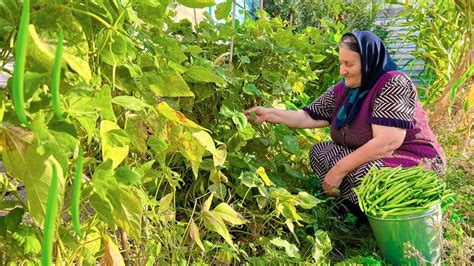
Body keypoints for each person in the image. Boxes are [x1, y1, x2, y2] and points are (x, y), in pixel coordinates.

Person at [245, 31, 446, 219]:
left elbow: (387, 144)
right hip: (377, 160)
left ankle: (380, 219)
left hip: (415, 162)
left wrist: (337, 171)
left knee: (366, 174)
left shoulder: (393, 84)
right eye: (341, 63)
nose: (343, 71)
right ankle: (352, 210)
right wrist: (270, 113)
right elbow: (307, 116)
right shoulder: (345, 89)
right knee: (320, 152)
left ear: (367, 62)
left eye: (349, 64)